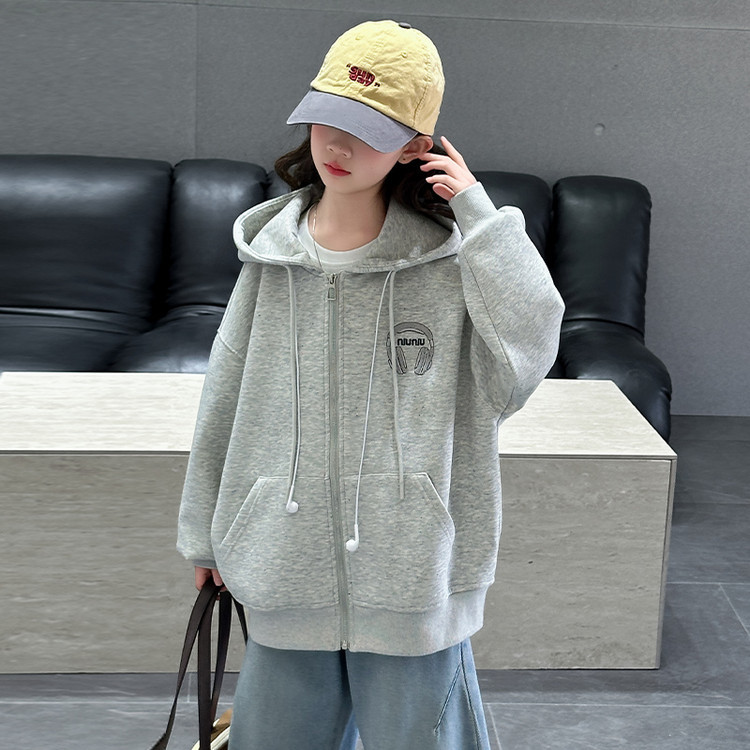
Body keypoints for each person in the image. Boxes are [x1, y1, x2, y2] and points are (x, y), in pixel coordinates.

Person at [177, 19, 564, 750]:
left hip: (415, 579)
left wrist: (483, 222)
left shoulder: (452, 265)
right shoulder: (270, 261)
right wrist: (205, 534)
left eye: (369, 130)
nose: (339, 145)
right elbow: (223, 399)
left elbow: (523, 361)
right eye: (329, 118)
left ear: (416, 146)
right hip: (282, 568)